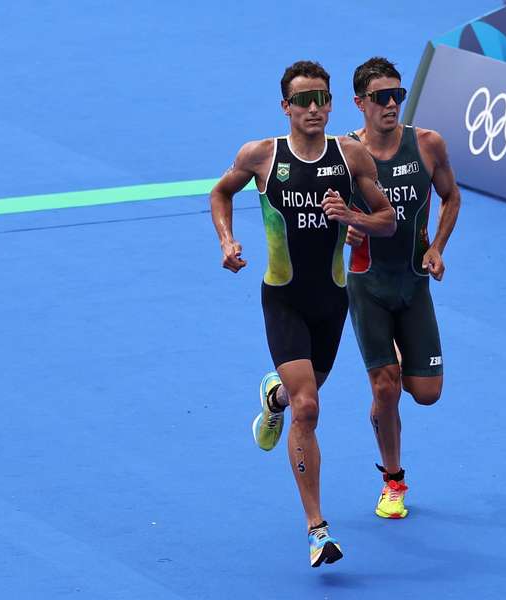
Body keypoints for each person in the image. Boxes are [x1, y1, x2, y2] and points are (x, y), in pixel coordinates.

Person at [209, 60, 395, 567]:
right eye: (303, 100)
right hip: (284, 298)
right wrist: (227, 241)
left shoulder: (350, 156)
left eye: (321, 98)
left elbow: (387, 219)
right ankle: (318, 529)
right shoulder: (262, 156)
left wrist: (352, 216)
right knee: (308, 407)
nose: (313, 108)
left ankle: (273, 399)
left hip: (333, 302)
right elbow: (220, 191)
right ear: (285, 106)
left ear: (332, 104)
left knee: (297, 397)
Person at [344, 57, 461, 519]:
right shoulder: (346, 154)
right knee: (387, 385)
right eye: (381, 97)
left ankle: (382, 404)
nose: (392, 104)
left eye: (398, 95)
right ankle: (393, 480)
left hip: (414, 284)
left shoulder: (428, 145)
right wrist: (346, 232)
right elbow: (323, 214)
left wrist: (437, 247)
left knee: (426, 392)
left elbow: (451, 196)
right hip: (366, 284)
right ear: (360, 103)